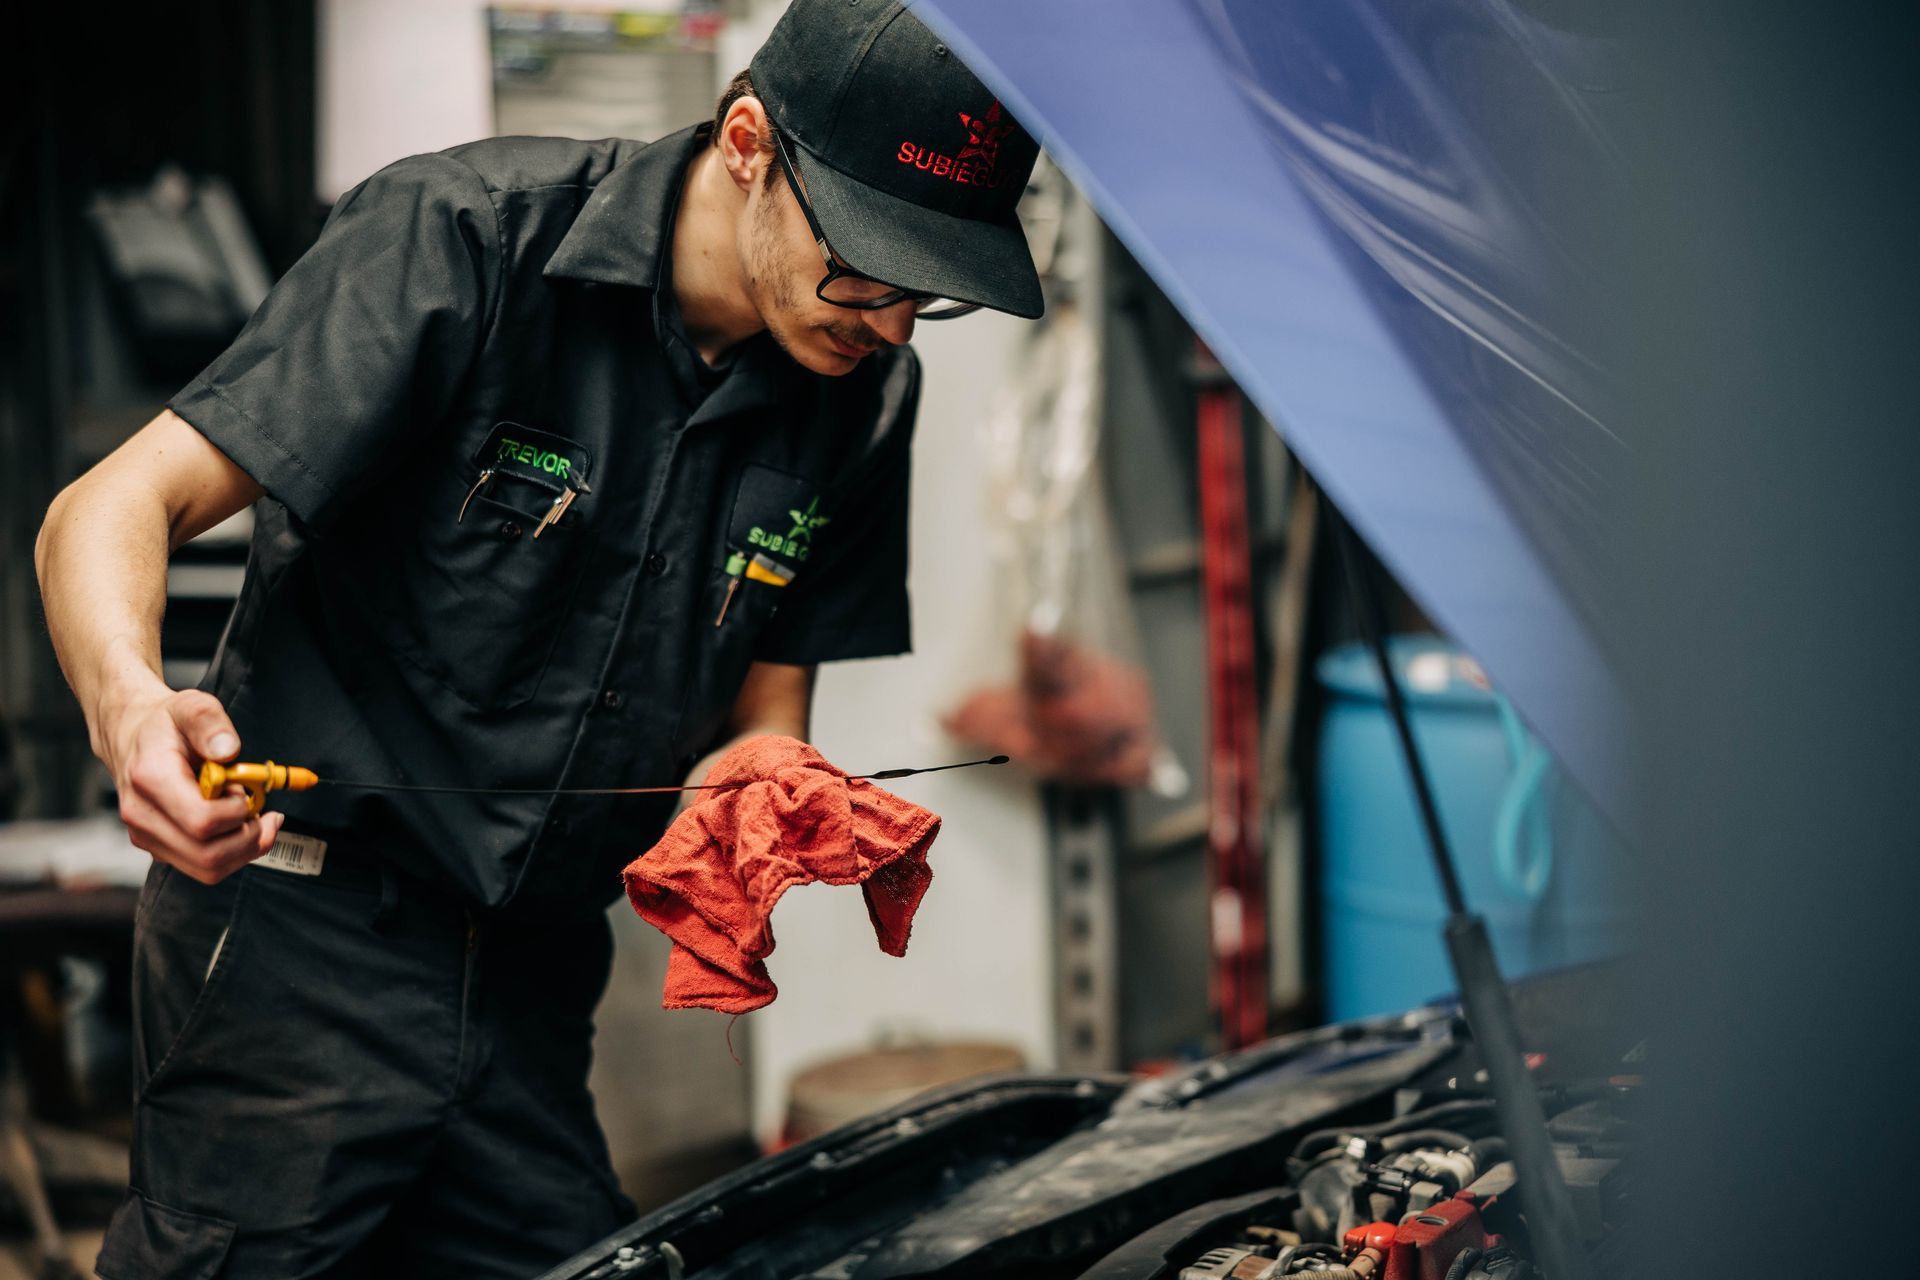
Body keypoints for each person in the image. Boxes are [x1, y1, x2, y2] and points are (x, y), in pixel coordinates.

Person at [33, 2, 1042, 1274]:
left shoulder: (861, 394)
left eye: (930, 292)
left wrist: (758, 782)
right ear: (747, 143)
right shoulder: (460, 242)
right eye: (870, 264)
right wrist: (131, 705)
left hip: (537, 973)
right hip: (301, 944)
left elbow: (767, 705)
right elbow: (110, 504)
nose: (891, 324)